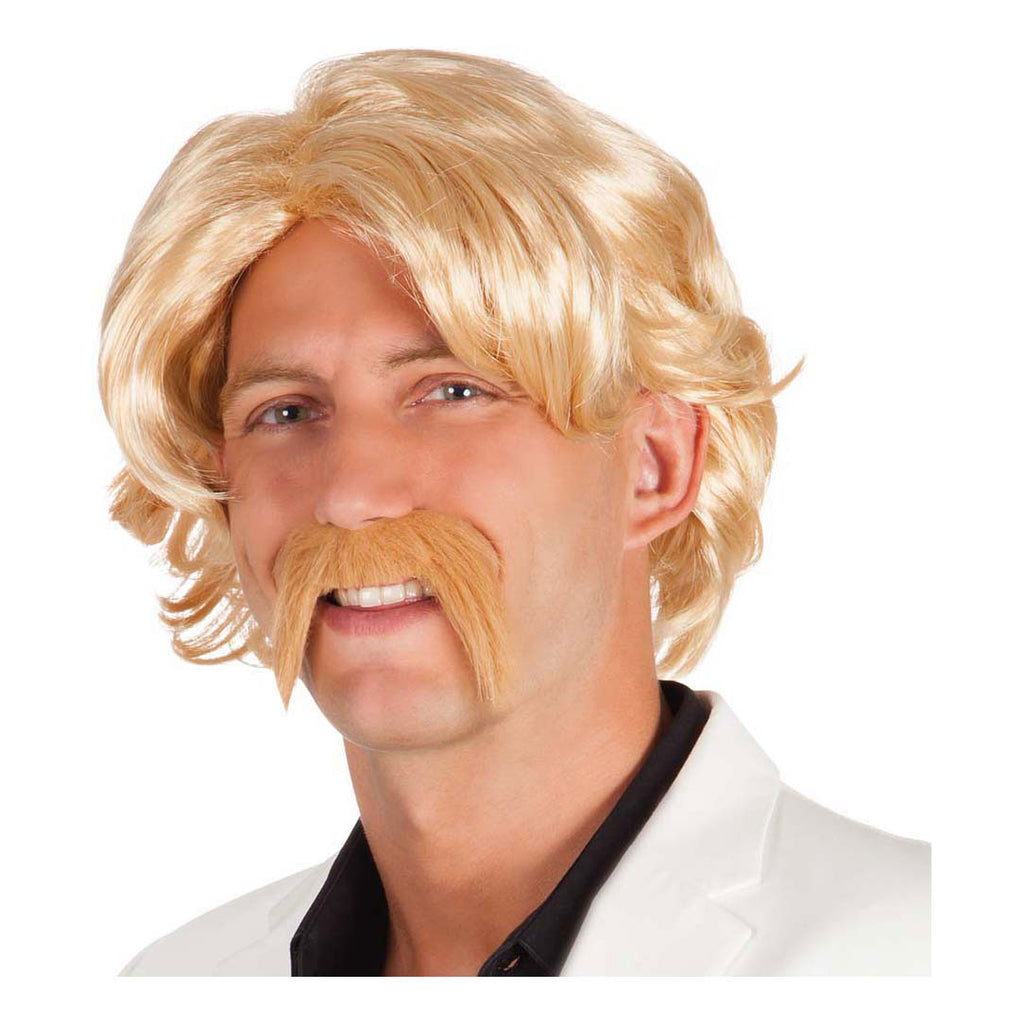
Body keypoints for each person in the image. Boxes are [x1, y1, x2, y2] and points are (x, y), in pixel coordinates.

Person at [101, 48, 929, 977]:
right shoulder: (175, 983)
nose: (349, 496)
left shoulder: (920, 957)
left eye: (453, 392)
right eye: (285, 413)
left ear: (653, 465)